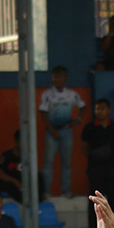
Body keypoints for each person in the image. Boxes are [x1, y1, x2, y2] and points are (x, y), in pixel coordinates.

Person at [39, 65, 86, 197]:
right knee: (48, 162)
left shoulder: (72, 94)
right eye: (55, 77)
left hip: (66, 132)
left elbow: (83, 107)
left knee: (67, 162)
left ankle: (66, 190)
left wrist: (77, 120)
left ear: (65, 78)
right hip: (52, 132)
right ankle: (46, 190)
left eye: (60, 76)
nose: (57, 79)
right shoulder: (47, 94)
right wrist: (51, 129)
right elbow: (43, 113)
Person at [81, 99, 114, 207]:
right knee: (95, 198)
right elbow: (85, 147)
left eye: (102, 108)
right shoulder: (89, 127)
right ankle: (93, 224)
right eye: (97, 109)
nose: (99, 111)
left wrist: (112, 156)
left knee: (113, 195)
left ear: (109, 110)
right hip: (95, 167)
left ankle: (112, 222)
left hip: (112, 166)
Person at [0, 131, 24, 200]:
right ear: (17, 141)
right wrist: (15, 181)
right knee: (11, 185)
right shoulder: (7, 155)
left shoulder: (27, 157)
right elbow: (0, 173)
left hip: (22, 183)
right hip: (10, 183)